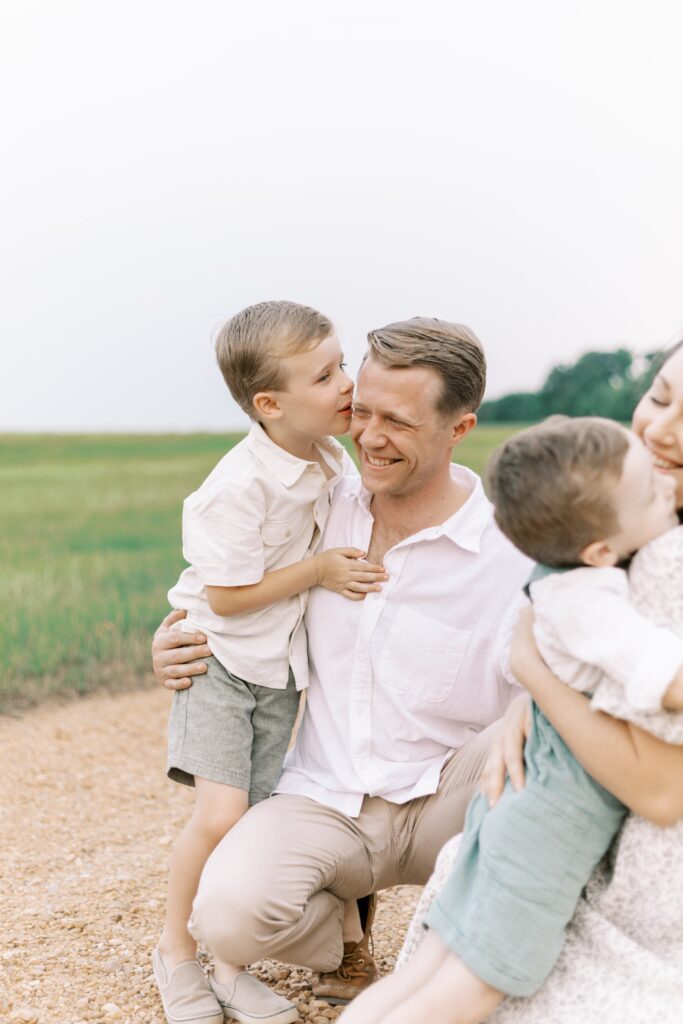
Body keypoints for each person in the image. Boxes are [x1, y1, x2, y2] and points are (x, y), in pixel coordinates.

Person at [151, 317, 533, 1017]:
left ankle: (490, 943)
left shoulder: (510, 551)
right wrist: (171, 636)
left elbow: (573, 669)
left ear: (460, 427)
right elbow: (225, 582)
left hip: (444, 796)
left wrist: (528, 713)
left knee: (546, 733)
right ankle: (348, 939)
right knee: (228, 914)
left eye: (399, 422)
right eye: (361, 411)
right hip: (326, 795)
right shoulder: (322, 503)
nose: (368, 436)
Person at [337, 414, 683, 1024]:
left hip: (510, 815)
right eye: (653, 495)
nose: (665, 491)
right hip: (547, 836)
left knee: (422, 976)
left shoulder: (549, 579)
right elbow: (659, 672)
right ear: (601, 550)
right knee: (467, 994)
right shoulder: (592, 601)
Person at [153, 300, 389, 1024]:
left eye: (341, 363)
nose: (346, 382)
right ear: (269, 403)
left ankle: (228, 967)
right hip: (221, 662)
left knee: (253, 819)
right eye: (325, 374)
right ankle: (175, 955)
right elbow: (223, 597)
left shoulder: (326, 457)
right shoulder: (238, 486)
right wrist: (318, 569)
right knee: (221, 814)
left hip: (275, 668)